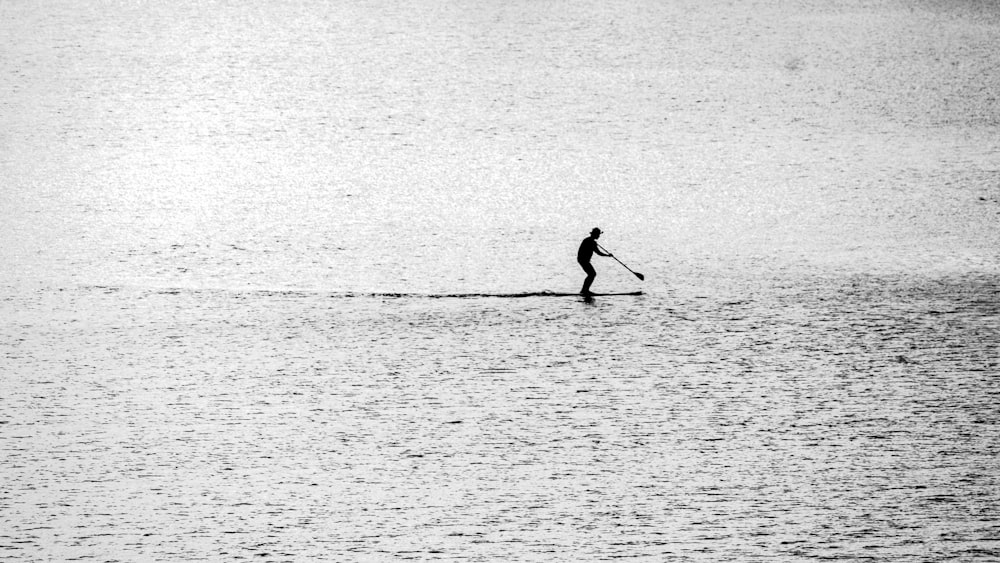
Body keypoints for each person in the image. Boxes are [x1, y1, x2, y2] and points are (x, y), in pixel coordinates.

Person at [577, 228, 612, 295]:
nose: (599, 236)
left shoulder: (590, 241)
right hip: (583, 260)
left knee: (591, 274)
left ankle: (584, 290)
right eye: (598, 234)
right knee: (592, 274)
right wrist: (608, 255)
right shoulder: (590, 242)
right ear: (595, 234)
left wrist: (607, 255)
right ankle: (584, 290)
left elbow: (597, 251)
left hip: (583, 260)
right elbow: (599, 253)